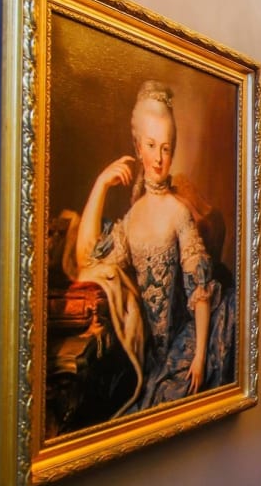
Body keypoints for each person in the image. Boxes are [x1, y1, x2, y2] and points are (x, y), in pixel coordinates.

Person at [75, 80, 235, 415]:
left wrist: (200, 356)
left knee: (163, 402)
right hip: (149, 357)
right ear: (138, 148)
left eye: (166, 148)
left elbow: (199, 292)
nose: (159, 159)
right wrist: (100, 184)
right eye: (151, 146)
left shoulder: (178, 213)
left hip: (184, 345)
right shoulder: (132, 219)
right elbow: (87, 260)